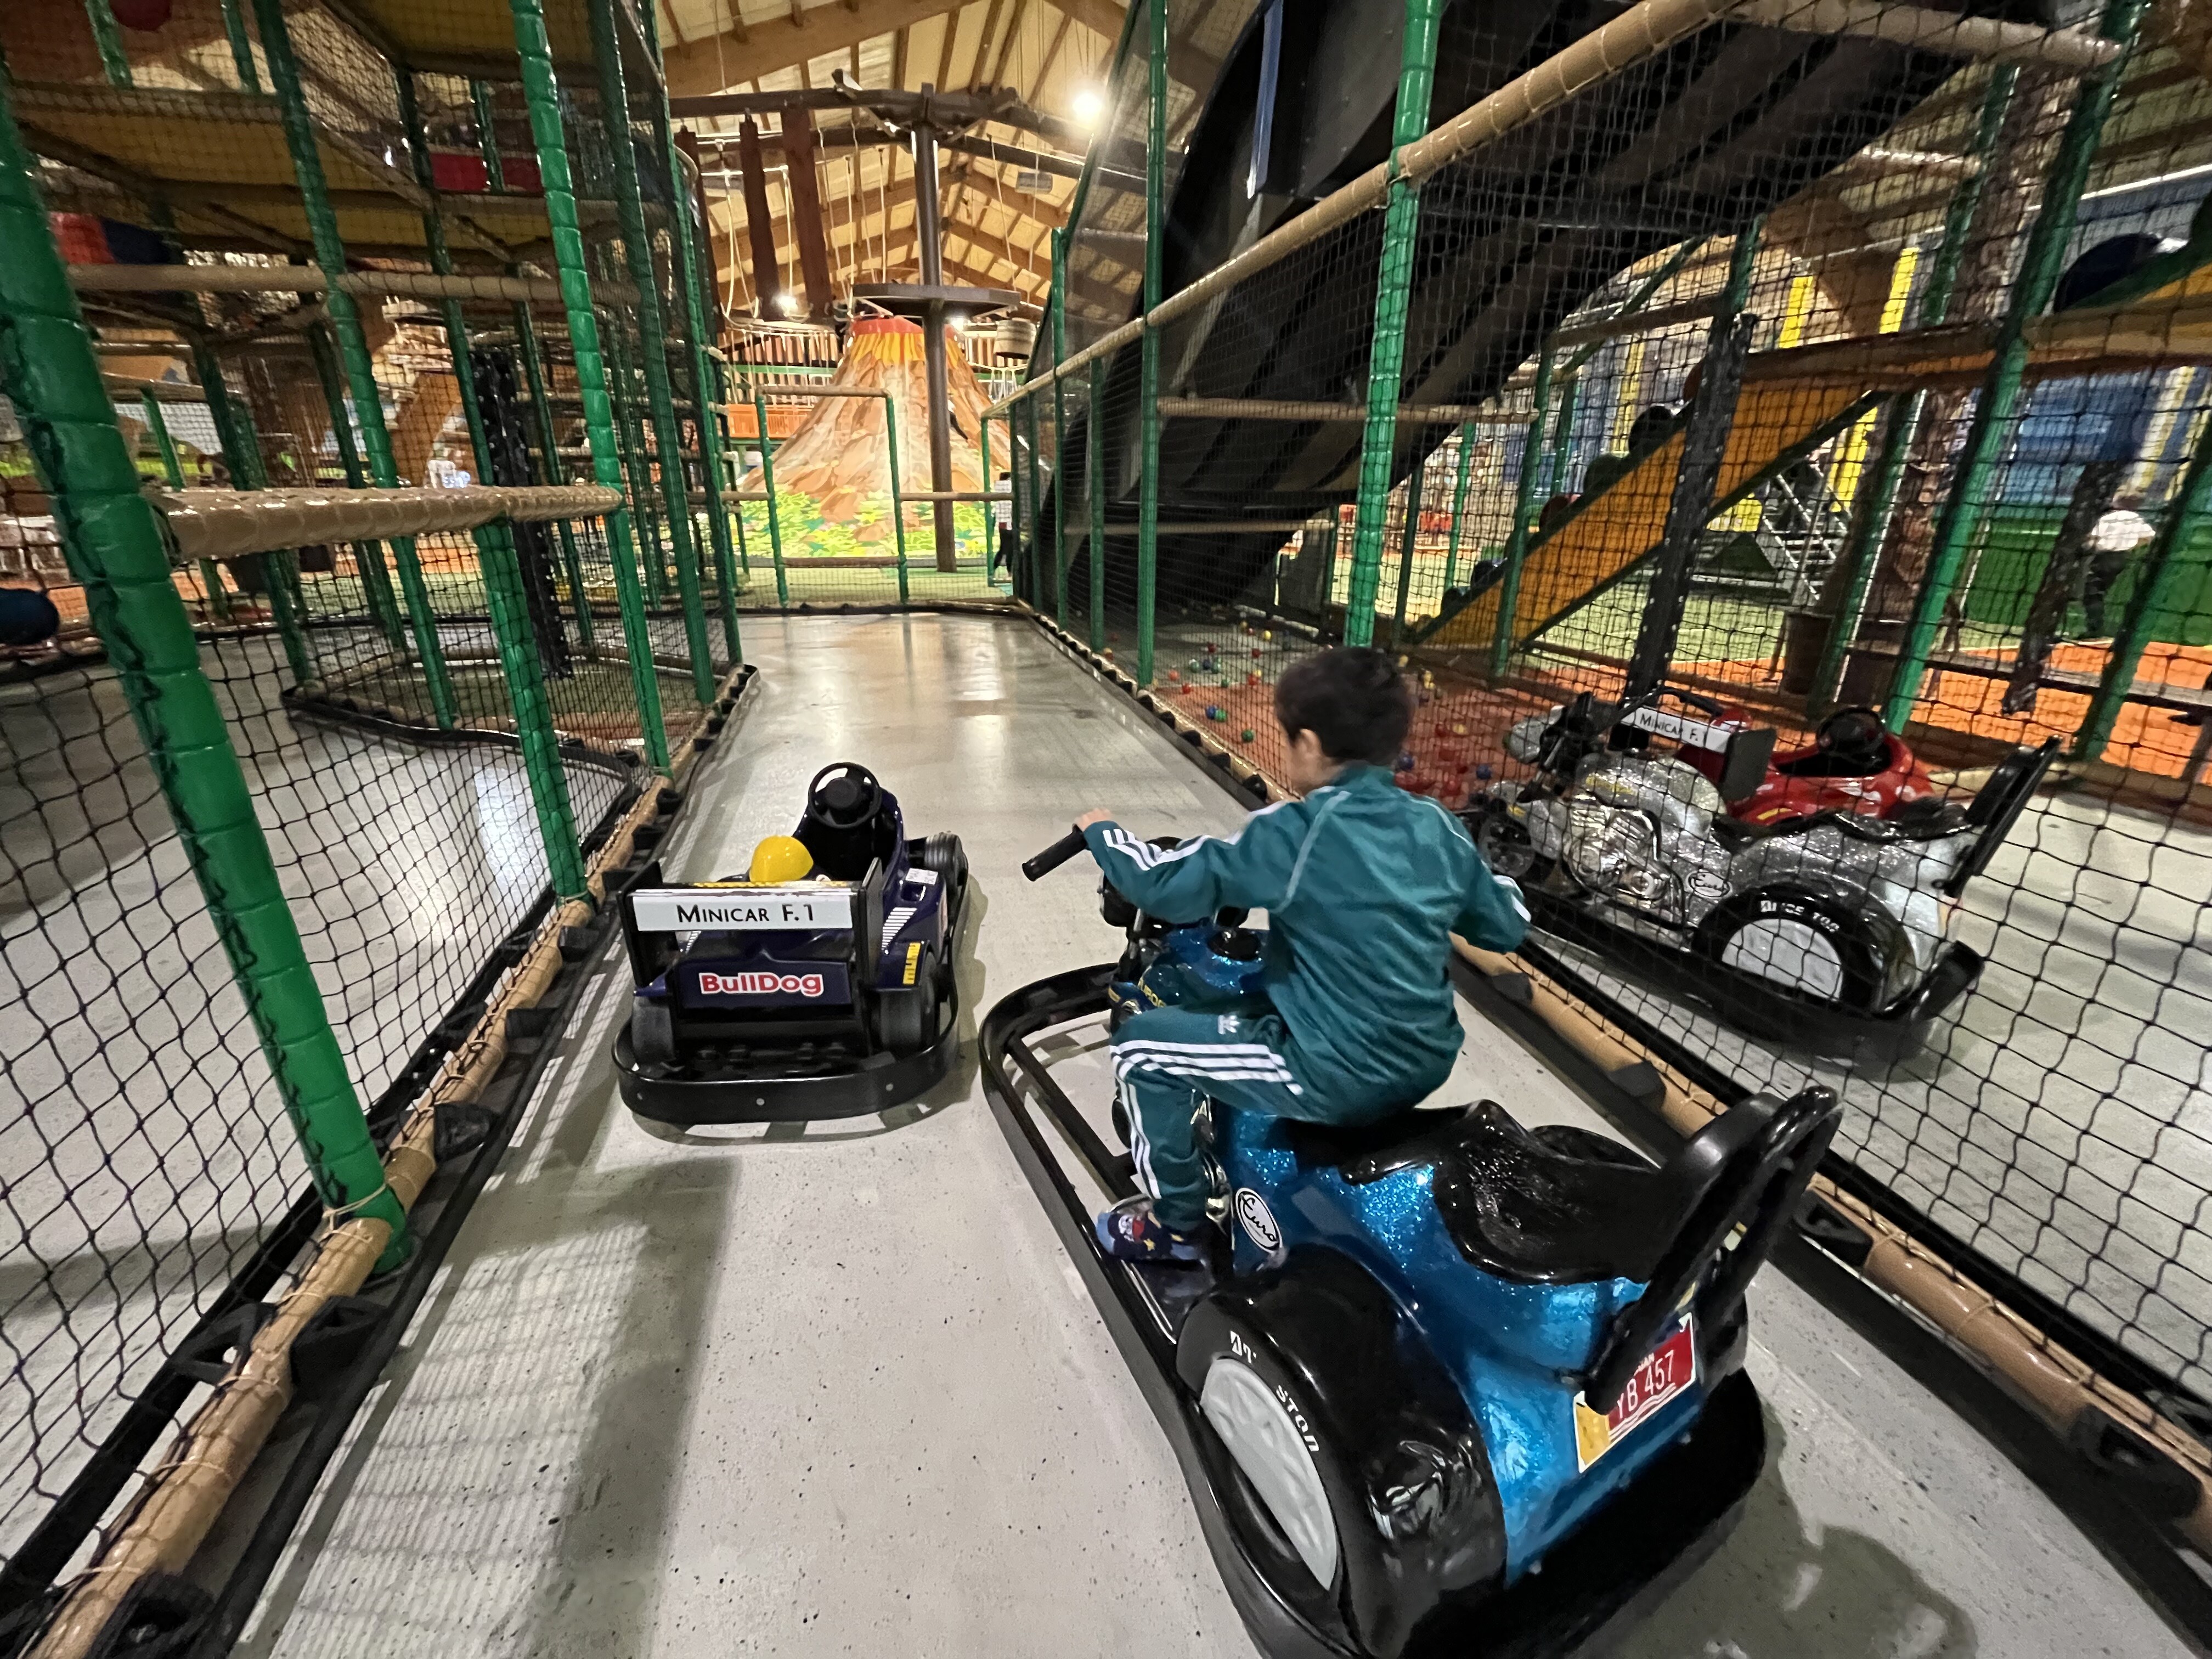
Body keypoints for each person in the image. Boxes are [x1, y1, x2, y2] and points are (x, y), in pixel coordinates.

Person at [1073, 647, 1532, 1262]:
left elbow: (1160, 884)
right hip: (1429, 1058)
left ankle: (1176, 1225)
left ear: (1310, 745)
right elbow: (1506, 924)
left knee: (1141, 1050)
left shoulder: (1296, 830)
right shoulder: (1437, 827)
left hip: (1338, 1071)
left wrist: (1104, 834)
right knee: (1263, 979)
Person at [2081, 492, 2157, 639]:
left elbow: (2093, 539)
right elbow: (2148, 537)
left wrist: (2087, 545)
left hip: (2104, 558)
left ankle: (2095, 629)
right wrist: (2132, 546)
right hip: (2123, 557)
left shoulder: (2108, 518)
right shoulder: (2135, 518)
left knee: (2093, 592)